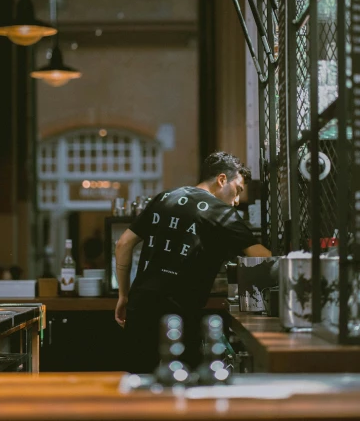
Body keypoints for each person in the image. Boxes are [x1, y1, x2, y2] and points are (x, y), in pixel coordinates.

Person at [114, 151, 272, 374]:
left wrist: (124, 295)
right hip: (180, 310)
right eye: (237, 191)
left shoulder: (164, 198)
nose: (236, 201)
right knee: (186, 385)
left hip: (141, 304)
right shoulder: (222, 213)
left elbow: (123, 244)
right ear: (222, 180)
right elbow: (263, 257)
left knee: (136, 384)